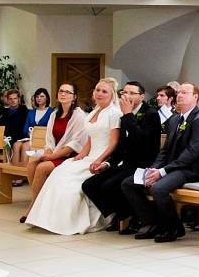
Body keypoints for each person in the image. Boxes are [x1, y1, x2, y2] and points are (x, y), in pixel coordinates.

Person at [24, 78, 121, 234]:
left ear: (112, 95)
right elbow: (90, 139)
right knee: (59, 173)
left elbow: (114, 143)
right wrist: (80, 156)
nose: (99, 93)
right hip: (88, 156)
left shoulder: (114, 113)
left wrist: (98, 159)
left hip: (103, 158)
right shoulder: (94, 112)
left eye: (104, 91)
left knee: (67, 184)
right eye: (97, 90)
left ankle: (66, 222)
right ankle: (42, 217)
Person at [121, 82, 199, 242]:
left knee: (158, 188)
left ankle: (174, 228)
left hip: (190, 170)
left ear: (195, 97)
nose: (180, 95)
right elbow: (165, 150)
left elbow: (192, 153)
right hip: (171, 168)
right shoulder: (175, 119)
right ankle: (152, 222)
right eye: (179, 92)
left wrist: (162, 172)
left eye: (185, 92)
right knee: (129, 183)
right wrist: (154, 168)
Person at [86, 82, 157, 231]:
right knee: (89, 185)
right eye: (124, 93)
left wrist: (128, 115)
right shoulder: (124, 114)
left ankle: (137, 217)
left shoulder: (150, 114)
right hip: (126, 163)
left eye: (132, 93)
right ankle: (123, 214)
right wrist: (107, 164)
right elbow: (121, 146)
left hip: (143, 164)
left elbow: (141, 141)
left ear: (142, 97)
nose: (127, 96)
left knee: (110, 185)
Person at [21, 82, 82, 214]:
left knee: (42, 167)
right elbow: (49, 139)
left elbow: (75, 144)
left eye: (67, 92)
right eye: (61, 91)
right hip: (53, 153)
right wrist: (48, 151)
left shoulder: (78, 115)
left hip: (69, 156)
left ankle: (33, 207)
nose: (63, 94)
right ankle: (39, 201)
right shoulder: (54, 114)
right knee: (32, 165)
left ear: (74, 97)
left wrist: (52, 156)